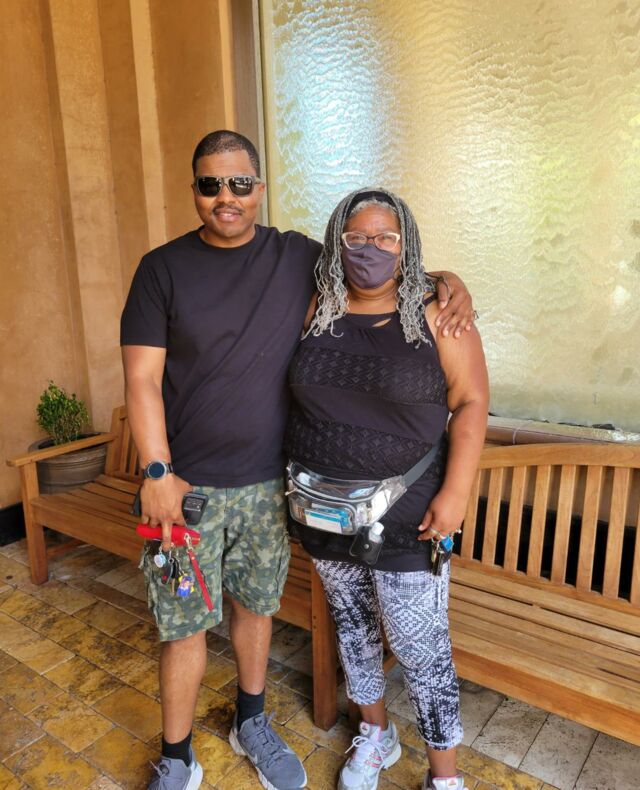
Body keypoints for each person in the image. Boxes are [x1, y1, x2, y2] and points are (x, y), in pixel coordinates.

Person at [120, 130, 477, 790]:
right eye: (210, 184)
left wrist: (450, 283)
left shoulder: (296, 259)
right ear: (194, 190)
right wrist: (157, 471)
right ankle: (177, 757)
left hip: (267, 490)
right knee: (181, 625)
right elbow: (141, 379)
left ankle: (251, 721)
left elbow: (381, 262)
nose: (226, 197)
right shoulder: (161, 269)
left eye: (239, 183)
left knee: (256, 610)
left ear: (259, 189)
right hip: (183, 493)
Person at [285, 188, 489, 790]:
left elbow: (471, 403)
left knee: (419, 645)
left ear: (407, 246)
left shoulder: (437, 315)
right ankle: (375, 734)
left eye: (385, 238)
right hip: (323, 511)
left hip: (408, 517)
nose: (369, 249)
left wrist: (456, 495)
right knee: (353, 628)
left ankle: (444, 776)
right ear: (337, 242)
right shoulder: (316, 306)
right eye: (356, 237)